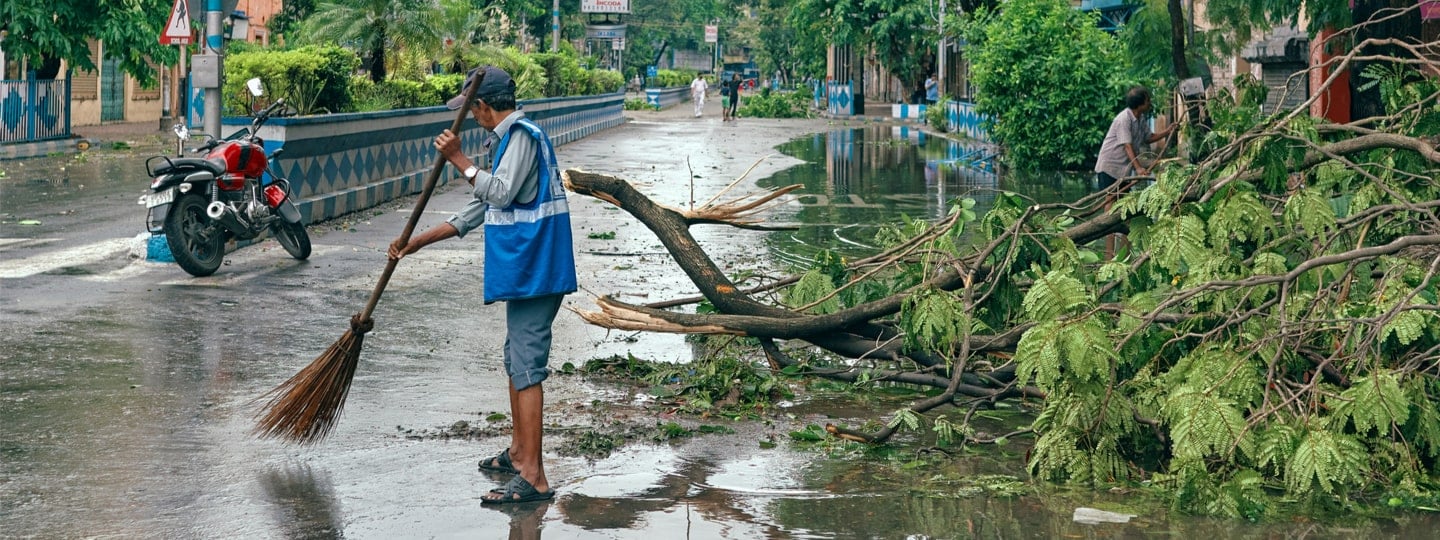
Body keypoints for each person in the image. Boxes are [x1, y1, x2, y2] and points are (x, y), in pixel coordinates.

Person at [387, 66, 577, 505]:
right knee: (515, 357)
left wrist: (459, 160)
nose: (470, 117)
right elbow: (478, 210)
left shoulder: (524, 137)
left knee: (526, 366)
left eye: (472, 108)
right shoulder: (508, 140)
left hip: (537, 270)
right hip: (527, 270)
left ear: (485, 106)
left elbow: (502, 192)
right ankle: (518, 453)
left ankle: (534, 476)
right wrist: (415, 242)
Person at [1094, 85, 1176, 256]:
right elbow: (1127, 146)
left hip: (1123, 171)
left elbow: (1149, 137)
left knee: (1126, 210)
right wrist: (1138, 168)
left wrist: (1168, 131)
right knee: (1110, 208)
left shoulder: (1140, 118)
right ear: (1140, 104)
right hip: (1110, 167)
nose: (1150, 102)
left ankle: (1125, 254)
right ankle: (1108, 256)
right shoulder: (1123, 119)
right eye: (1147, 100)